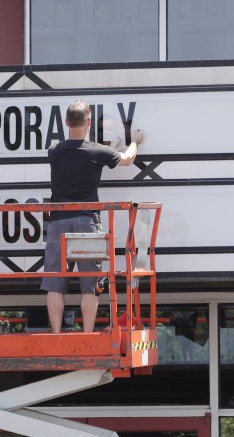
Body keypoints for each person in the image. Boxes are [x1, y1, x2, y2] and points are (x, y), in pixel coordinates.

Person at [41, 100, 144, 333]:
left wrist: (108, 150)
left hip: (58, 222)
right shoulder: (98, 152)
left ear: (67, 122)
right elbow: (127, 160)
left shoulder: (54, 152)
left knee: (55, 286)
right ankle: (87, 333)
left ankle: (57, 334)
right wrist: (134, 142)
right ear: (89, 122)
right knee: (90, 286)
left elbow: (82, 155)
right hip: (86, 221)